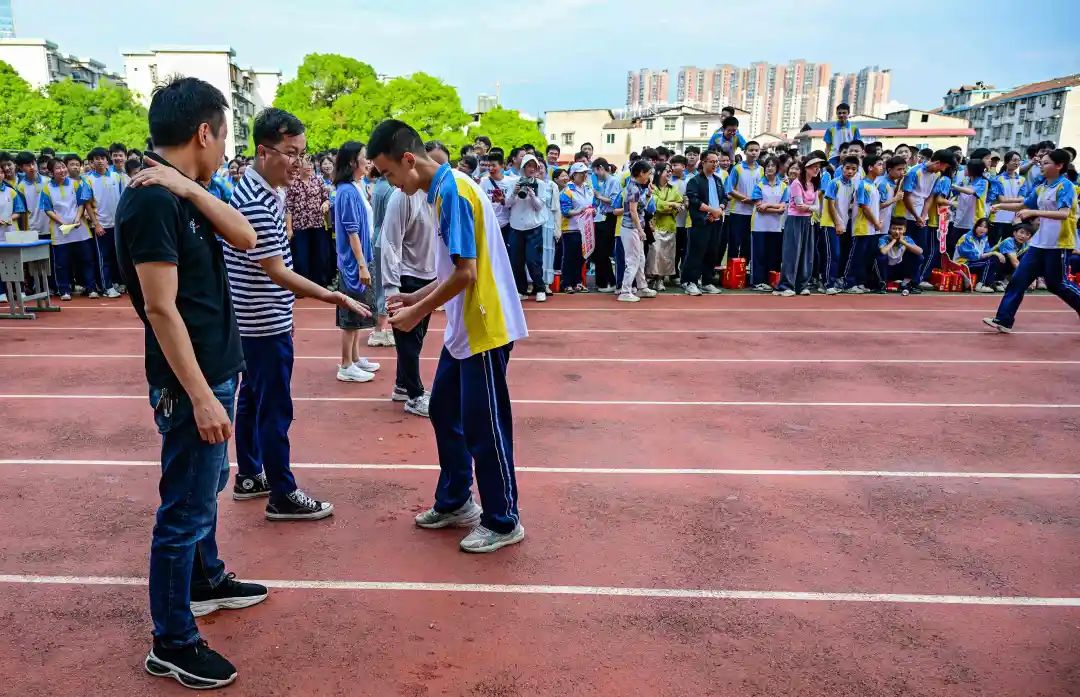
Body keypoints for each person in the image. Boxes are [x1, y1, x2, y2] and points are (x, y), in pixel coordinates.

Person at [114, 75, 265, 690]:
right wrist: (201, 394)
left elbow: (247, 236)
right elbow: (160, 309)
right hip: (189, 384)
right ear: (204, 132)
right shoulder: (150, 200)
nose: (227, 148)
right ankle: (171, 640)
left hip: (215, 370)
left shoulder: (183, 190)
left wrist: (188, 185)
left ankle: (206, 579)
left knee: (206, 492)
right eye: (225, 134)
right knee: (185, 508)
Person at [368, 119, 527, 554]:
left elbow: (466, 272)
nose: (391, 185)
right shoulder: (442, 189)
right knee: (443, 409)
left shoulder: (451, 191)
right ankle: (457, 500)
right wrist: (414, 295)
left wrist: (417, 311)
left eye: (388, 174)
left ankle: (502, 518)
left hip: (483, 326)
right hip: (464, 326)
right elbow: (452, 269)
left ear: (407, 159)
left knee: (484, 425)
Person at [223, 108, 370, 520]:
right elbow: (278, 271)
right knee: (274, 407)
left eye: (302, 155)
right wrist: (334, 297)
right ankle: (282, 494)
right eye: (291, 153)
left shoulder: (264, 192)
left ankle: (251, 474)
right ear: (263, 152)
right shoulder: (255, 201)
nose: (299, 164)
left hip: (257, 319)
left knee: (253, 398)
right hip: (264, 323)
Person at [985, 149, 1080, 332]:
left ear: (1059, 166)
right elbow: (1023, 205)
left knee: (1057, 283)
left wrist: (1034, 212)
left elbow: (1064, 214)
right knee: (1019, 279)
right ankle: (1004, 320)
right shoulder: (1042, 187)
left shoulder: (1065, 187)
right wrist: (999, 205)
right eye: (1041, 163)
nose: (1041, 166)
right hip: (1039, 243)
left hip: (1058, 243)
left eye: (1046, 163)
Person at [380, 178, 438, 417]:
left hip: (429, 276)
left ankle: (402, 384)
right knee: (408, 339)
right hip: (406, 277)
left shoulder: (439, 194)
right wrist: (391, 287)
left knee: (417, 338)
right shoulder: (402, 196)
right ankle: (415, 395)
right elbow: (390, 242)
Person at [332, 141, 383, 383]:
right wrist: (362, 264)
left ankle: (354, 358)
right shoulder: (347, 191)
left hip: (362, 257)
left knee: (359, 309)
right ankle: (345, 364)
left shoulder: (357, 187)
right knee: (351, 314)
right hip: (354, 262)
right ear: (353, 162)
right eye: (365, 157)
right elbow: (352, 232)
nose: (369, 161)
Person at [40, 158, 96, 300]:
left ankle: (91, 288)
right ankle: (64, 290)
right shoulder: (47, 188)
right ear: (52, 172)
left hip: (79, 229)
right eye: (58, 168)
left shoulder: (76, 184)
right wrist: (62, 221)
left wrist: (77, 218)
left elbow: (81, 203)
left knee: (86, 260)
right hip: (60, 231)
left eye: (63, 167)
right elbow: (48, 209)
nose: (62, 170)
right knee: (61, 263)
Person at [902, 149, 956, 288]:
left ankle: (914, 280)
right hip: (907, 216)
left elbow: (930, 198)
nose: (944, 170)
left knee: (922, 249)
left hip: (921, 217)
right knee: (907, 248)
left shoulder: (937, 174)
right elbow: (906, 197)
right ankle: (904, 279)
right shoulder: (914, 172)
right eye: (944, 166)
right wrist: (916, 216)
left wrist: (923, 216)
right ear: (938, 162)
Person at [682, 150, 727, 296]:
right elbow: (694, 201)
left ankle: (707, 281)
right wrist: (711, 211)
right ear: (703, 162)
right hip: (701, 222)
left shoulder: (718, 180)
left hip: (716, 221)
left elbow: (724, 198)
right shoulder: (695, 181)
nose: (715, 164)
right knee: (696, 252)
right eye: (712, 161)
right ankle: (690, 282)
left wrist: (719, 209)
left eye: (716, 162)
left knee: (712, 252)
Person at [776, 156, 821, 296]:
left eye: (818, 167)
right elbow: (800, 206)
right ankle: (785, 285)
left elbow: (817, 206)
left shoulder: (813, 184)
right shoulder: (796, 183)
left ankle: (801, 285)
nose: (817, 169)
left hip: (807, 221)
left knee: (806, 254)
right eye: (814, 166)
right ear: (806, 167)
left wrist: (811, 208)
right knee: (792, 253)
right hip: (795, 219)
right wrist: (812, 207)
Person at [506, 154, 549, 302]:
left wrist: (532, 195)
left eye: (534, 166)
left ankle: (540, 288)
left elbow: (539, 207)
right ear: (523, 167)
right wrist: (515, 192)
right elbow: (507, 204)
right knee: (516, 261)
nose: (531, 169)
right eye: (528, 166)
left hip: (533, 226)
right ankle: (521, 290)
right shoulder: (513, 183)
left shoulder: (541, 184)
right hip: (516, 226)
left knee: (533, 259)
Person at [84, 147, 125, 298]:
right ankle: (106, 286)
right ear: (91, 162)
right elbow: (87, 204)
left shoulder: (116, 177)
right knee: (104, 258)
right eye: (96, 159)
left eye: (102, 158)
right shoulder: (88, 179)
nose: (100, 161)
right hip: (102, 225)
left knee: (117, 256)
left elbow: (122, 198)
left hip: (117, 224)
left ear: (107, 160)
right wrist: (96, 224)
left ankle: (116, 282)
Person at [284, 154, 330, 287]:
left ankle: (319, 284)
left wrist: (326, 204)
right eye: (306, 164)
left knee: (320, 255)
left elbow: (326, 198)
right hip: (300, 225)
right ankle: (302, 286)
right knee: (301, 257)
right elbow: (289, 207)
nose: (309, 167)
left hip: (318, 223)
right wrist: (289, 228)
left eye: (311, 164)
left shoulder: (318, 180)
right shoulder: (293, 182)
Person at [617, 160, 658, 303]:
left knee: (640, 258)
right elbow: (633, 212)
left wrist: (648, 195)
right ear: (641, 173)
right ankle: (625, 290)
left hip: (635, 227)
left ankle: (642, 287)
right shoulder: (633, 188)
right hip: (631, 228)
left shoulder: (640, 187)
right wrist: (640, 230)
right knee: (633, 260)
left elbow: (641, 208)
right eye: (648, 173)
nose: (649, 177)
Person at [844, 155, 886, 293]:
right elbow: (865, 207)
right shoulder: (863, 185)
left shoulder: (873, 185)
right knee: (856, 255)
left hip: (871, 228)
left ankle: (859, 282)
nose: (882, 167)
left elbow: (874, 207)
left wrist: (876, 222)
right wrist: (876, 223)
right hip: (861, 227)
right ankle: (849, 282)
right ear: (870, 167)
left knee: (864, 257)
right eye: (879, 164)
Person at [821, 155, 860, 294]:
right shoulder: (834, 183)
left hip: (843, 223)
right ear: (841, 168)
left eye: (853, 169)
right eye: (847, 168)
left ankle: (835, 280)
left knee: (840, 254)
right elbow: (830, 205)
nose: (850, 171)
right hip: (830, 223)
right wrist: (837, 222)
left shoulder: (852, 185)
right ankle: (827, 284)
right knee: (833, 254)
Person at [749, 156, 788, 291]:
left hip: (776, 227)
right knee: (759, 255)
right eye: (767, 166)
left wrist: (768, 206)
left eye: (772, 165)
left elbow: (783, 208)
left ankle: (772, 281)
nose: (769, 168)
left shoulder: (783, 186)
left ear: (777, 168)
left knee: (773, 255)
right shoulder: (759, 185)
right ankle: (757, 282)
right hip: (759, 226)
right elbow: (759, 208)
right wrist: (775, 208)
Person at [724, 140, 763, 263]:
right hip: (737, 211)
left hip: (755, 213)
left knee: (749, 243)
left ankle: (744, 272)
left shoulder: (762, 170)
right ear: (745, 152)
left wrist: (754, 201)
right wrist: (745, 199)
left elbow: (763, 189)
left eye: (756, 150)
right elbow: (729, 189)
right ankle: (731, 273)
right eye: (751, 150)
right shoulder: (737, 168)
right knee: (734, 243)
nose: (754, 153)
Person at [558, 162, 594, 294]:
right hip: (571, 228)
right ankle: (566, 283)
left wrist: (592, 211)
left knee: (582, 256)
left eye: (585, 173)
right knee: (569, 256)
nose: (584, 175)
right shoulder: (567, 190)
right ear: (574, 174)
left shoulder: (588, 188)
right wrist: (580, 210)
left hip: (585, 228)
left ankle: (578, 281)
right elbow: (565, 211)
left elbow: (593, 204)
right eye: (581, 173)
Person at [646, 162, 681, 290]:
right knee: (655, 254)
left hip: (670, 225)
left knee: (667, 256)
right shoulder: (652, 188)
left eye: (671, 170)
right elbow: (655, 205)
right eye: (667, 170)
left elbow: (680, 204)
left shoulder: (673, 188)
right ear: (659, 172)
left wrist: (671, 206)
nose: (670, 173)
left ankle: (660, 280)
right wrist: (672, 205)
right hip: (655, 226)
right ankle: (652, 278)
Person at [590, 158, 620, 292]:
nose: (596, 175)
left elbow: (614, 201)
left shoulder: (613, 181)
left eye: (596, 172)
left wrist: (598, 196)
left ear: (600, 168)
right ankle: (602, 282)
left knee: (603, 251)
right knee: (598, 252)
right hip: (601, 217)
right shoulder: (604, 182)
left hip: (609, 218)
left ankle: (610, 281)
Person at [949, 160, 990, 258]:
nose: (964, 169)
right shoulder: (965, 180)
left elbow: (971, 191)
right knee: (953, 246)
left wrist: (954, 186)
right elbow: (955, 193)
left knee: (970, 249)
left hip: (974, 222)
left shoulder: (983, 182)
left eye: (966, 168)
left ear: (973, 170)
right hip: (960, 219)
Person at [875, 219, 924, 294]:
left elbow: (920, 251)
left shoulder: (907, 239)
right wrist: (893, 241)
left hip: (901, 269)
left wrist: (904, 242)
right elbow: (883, 251)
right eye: (894, 228)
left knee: (919, 257)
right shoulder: (883, 238)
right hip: (887, 270)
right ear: (889, 229)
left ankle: (906, 283)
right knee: (881, 257)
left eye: (900, 229)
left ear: (904, 230)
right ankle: (882, 283)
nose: (897, 231)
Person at [953, 217, 1000, 293]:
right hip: (963, 264)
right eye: (980, 226)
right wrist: (992, 253)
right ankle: (981, 285)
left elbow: (986, 252)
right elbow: (973, 256)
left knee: (994, 259)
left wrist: (995, 253)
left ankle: (991, 283)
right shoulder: (967, 237)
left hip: (975, 263)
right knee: (988, 262)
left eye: (985, 227)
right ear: (975, 226)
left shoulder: (984, 238)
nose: (982, 229)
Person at [479, 152, 515, 246]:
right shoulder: (483, 182)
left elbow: (513, 204)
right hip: (489, 224)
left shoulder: (511, 182)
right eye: (489, 165)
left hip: (506, 224)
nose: (490, 168)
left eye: (494, 165)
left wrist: (503, 200)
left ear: (502, 165)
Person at [988, 151, 1024, 245]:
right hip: (997, 218)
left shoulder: (1022, 180)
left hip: (1013, 219)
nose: (1017, 163)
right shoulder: (998, 179)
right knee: (993, 243)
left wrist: (1021, 201)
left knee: (1008, 245)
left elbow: (1021, 198)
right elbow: (1002, 199)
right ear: (1006, 162)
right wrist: (1021, 200)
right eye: (1014, 160)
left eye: (1019, 160)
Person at [988, 223, 1033, 290]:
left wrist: (1033, 278)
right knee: (1000, 258)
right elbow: (1015, 263)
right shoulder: (1009, 241)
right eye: (1021, 232)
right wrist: (1027, 279)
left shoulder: (1026, 244)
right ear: (1014, 233)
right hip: (988, 262)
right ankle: (996, 281)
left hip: (1006, 265)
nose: (1023, 236)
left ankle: (1007, 280)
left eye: (1027, 234)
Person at [15, 152, 49, 240]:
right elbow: (22, 211)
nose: (32, 167)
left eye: (33, 163)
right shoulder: (20, 187)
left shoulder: (48, 181)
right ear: (21, 168)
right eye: (27, 165)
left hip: (51, 228)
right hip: (32, 230)